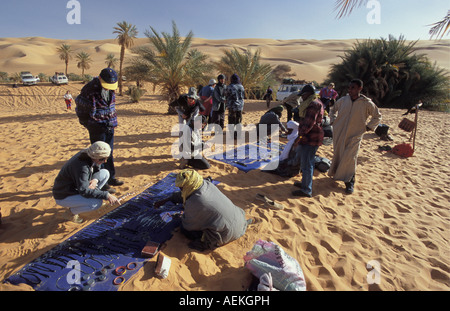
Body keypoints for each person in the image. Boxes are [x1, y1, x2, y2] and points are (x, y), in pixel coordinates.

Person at [154, 169, 250, 251]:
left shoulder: (195, 201)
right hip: (240, 221)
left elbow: (188, 226)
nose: (180, 189)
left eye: (181, 187)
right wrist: (166, 200)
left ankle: (205, 244)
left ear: (188, 185)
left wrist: (180, 217)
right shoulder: (206, 184)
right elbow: (184, 194)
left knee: (185, 230)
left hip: (227, 234)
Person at [328, 79, 382, 194]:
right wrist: (333, 121)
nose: (350, 90)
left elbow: (377, 116)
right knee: (339, 154)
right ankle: (336, 174)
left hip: (355, 135)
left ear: (359, 89)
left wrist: (368, 127)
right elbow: (332, 111)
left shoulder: (366, 103)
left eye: (353, 87)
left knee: (350, 158)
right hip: (339, 133)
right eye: (349, 87)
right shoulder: (343, 100)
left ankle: (350, 182)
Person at [75, 68, 124, 193]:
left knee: (109, 153)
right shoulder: (89, 90)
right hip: (97, 127)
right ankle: (102, 181)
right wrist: (89, 124)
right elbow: (81, 110)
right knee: (99, 155)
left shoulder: (111, 88)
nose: (109, 88)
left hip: (110, 125)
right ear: (100, 78)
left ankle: (111, 177)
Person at [52, 141, 121, 223]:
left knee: (105, 173)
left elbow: (96, 168)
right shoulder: (82, 167)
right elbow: (84, 191)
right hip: (64, 194)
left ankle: (89, 198)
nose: (105, 161)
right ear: (94, 156)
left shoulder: (90, 153)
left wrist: (95, 180)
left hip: (79, 186)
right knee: (96, 203)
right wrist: (106, 195)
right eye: (102, 159)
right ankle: (70, 213)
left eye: (106, 158)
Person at [291, 85, 324, 197]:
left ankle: (306, 190)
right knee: (305, 162)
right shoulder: (313, 102)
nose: (302, 98)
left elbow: (308, 124)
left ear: (309, 94)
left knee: (307, 164)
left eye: (304, 95)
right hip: (308, 137)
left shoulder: (313, 104)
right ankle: (305, 183)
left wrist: (299, 138)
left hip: (311, 138)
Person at [170, 87, 210, 170]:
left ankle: (192, 156)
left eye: (192, 98)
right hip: (183, 115)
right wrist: (182, 114)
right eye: (189, 98)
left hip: (192, 118)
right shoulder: (182, 100)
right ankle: (185, 158)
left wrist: (193, 123)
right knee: (184, 131)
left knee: (195, 135)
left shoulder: (197, 105)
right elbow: (177, 108)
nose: (190, 99)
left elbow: (195, 116)